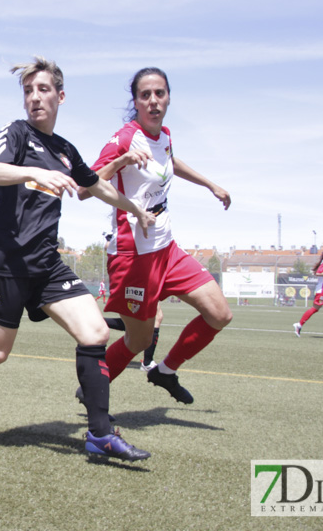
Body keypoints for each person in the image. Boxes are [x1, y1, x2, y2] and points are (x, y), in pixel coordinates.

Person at [0, 57, 156, 462]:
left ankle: (100, 434)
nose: (35, 97)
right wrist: (32, 171)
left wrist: (134, 210)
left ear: (60, 96)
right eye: (29, 91)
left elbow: (97, 188)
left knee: (94, 333)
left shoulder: (66, 149)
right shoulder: (16, 134)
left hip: (46, 264)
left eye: (44, 90)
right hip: (5, 262)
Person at [78, 67, 233, 406]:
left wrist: (211, 184)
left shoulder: (164, 135)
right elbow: (83, 188)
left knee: (219, 313)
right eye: (145, 95)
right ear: (135, 101)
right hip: (134, 256)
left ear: (168, 98)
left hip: (167, 248)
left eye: (159, 93)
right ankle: (91, 393)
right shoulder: (123, 138)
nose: (153, 101)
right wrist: (121, 160)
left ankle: (164, 371)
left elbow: (170, 161)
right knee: (137, 340)